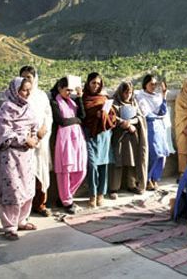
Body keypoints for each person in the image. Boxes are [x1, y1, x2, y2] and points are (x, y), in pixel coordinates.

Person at [0, 77, 38, 240]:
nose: (27, 93)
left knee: (27, 188)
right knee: (11, 190)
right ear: (15, 91)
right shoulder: (6, 108)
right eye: (23, 90)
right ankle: (10, 226)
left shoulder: (29, 108)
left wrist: (33, 138)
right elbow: (4, 132)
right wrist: (24, 139)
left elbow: (34, 127)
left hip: (26, 156)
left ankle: (21, 220)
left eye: (29, 90)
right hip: (10, 156)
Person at [19, 66, 53, 217]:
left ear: (35, 79)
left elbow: (48, 116)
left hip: (41, 140)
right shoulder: (17, 95)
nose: (26, 80)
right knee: (25, 175)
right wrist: (28, 137)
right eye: (23, 77)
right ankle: (23, 208)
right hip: (24, 142)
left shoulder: (41, 96)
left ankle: (40, 204)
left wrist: (42, 132)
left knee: (41, 173)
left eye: (29, 77)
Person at [50, 77, 87, 214]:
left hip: (77, 138)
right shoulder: (55, 102)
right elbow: (61, 121)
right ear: (60, 88)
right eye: (67, 90)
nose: (69, 93)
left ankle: (65, 196)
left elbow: (82, 117)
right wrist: (76, 120)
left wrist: (80, 98)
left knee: (81, 170)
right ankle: (67, 201)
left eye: (71, 91)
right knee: (65, 170)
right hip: (65, 138)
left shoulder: (73, 102)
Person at [82, 72, 117, 207]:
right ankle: (92, 194)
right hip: (90, 134)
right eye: (93, 83)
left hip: (104, 135)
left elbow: (113, 117)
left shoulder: (104, 98)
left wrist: (104, 115)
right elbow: (83, 116)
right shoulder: (84, 99)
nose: (95, 86)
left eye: (98, 83)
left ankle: (101, 194)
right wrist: (95, 115)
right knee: (92, 165)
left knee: (104, 164)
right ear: (88, 83)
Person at [110, 81, 148, 198]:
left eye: (130, 93)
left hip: (132, 136)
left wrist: (131, 123)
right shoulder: (114, 103)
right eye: (125, 92)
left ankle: (132, 184)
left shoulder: (134, 103)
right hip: (119, 136)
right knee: (118, 161)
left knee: (132, 160)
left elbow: (140, 117)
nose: (128, 95)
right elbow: (111, 116)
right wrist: (123, 123)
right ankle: (114, 188)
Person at [135, 74, 169, 190]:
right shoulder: (141, 96)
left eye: (155, 84)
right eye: (151, 84)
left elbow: (163, 111)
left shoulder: (157, 96)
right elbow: (146, 113)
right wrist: (157, 116)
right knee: (153, 153)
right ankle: (147, 178)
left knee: (162, 155)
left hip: (160, 127)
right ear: (145, 85)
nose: (153, 86)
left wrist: (164, 95)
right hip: (150, 127)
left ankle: (155, 178)